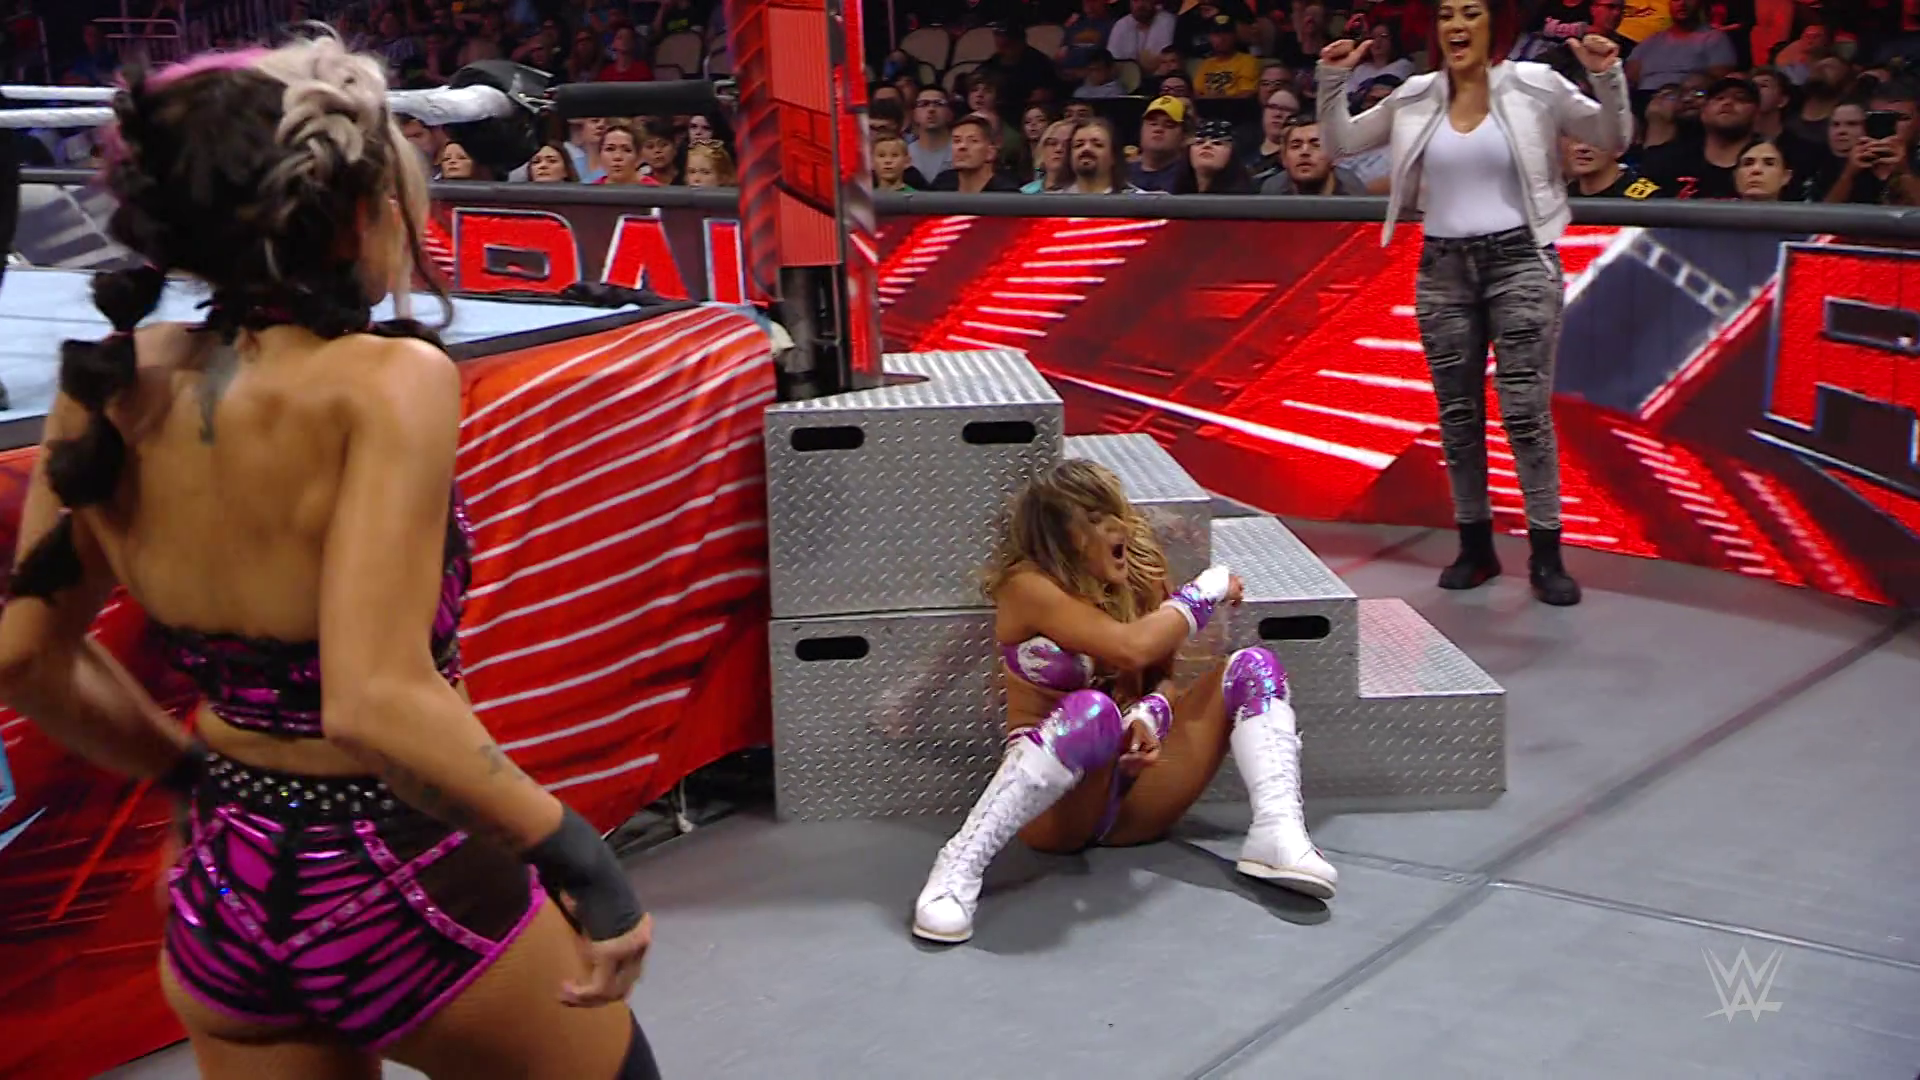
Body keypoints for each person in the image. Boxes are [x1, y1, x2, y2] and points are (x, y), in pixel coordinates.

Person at [0, 36, 662, 1080]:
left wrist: (188, 778)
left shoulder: (114, 378)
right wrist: (578, 856)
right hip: (393, 862)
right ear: (355, 212)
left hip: (225, 879)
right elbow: (374, 699)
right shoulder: (385, 381)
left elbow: (28, 656)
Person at [912, 461, 1335, 944]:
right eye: (1095, 518)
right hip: (1055, 810)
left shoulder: (1137, 571)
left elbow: (1160, 676)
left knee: (1254, 666)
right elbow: (1129, 647)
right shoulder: (1027, 587)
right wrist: (1208, 589)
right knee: (1092, 711)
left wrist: (1150, 714)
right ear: (1062, 536)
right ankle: (958, 868)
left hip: (1137, 798)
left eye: (1114, 512)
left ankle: (1279, 835)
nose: (1119, 527)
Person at [1315, 2, 1632, 607]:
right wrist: (1331, 80)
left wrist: (1606, 77)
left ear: (1494, 25)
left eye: (1470, 13)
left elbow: (1613, 138)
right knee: (1457, 417)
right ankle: (1475, 546)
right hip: (1443, 268)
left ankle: (1546, 555)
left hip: (1520, 261)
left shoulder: (1535, 85)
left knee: (1524, 413)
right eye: (1447, 16)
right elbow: (1340, 144)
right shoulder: (1416, 95)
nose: (1456, 26)